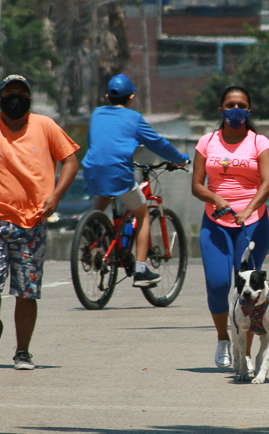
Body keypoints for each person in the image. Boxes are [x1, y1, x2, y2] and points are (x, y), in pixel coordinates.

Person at [0, 74, 80, 371]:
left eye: (22, 93)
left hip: (32, 223)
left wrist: (56, 195)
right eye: (10, 93)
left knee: (26, 291)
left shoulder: (45, 126)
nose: (15, 98)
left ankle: (23, 351)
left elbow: (71, 160)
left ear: (30, 100)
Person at [191, 86, 269, 369]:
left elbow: (268, 183)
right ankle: (223, 339)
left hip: (252, 224)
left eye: (241, 105)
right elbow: (197, 185)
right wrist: (216, 198)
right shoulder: (207, 141)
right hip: (215, 223)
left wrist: (249, 209)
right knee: (218, 284)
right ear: (221, 110)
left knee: (249, 290)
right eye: (230, 105)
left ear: (248, 111)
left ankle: (247, 353)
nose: (235, 110)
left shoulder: (259, 142)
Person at [81, 74, 190, 287]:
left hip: (93, 169)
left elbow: (95, 141)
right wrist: (180, 159)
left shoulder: (96, 114)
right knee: (143, 215)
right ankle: (141, 270)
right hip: (119, 173)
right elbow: (158, 144)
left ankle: (92, 229)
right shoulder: (134, 118)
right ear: (131, 97)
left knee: (106, 193)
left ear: (107, 97)